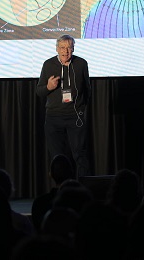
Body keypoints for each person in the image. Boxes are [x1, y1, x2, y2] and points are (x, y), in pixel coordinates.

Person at [36, 34, 91, 179]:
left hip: (75, 117)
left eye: (69, 48)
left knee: (80, 155)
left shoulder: (81, 64)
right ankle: (60, 188)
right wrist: (48, 86)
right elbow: (39, 91)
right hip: (54, 117)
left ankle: (82, 188)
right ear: (56, 49)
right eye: (62, 48)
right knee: (57, 157)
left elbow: (88, 90)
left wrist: (80, 108)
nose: (65, 51)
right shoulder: (48, 65)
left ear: (73, 49)